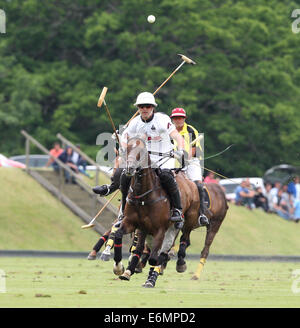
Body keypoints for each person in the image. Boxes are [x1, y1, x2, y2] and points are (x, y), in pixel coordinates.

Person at [117, 92, 187, 228]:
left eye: (147, 106)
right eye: (141, 106)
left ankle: (178, 210)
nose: (144, 109)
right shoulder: (135, 123)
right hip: (144, 160)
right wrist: (123, 147)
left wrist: (181, 151)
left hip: (163, 158)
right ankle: (123, 211)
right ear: (138, 108)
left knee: (166, 177)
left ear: (153, 107)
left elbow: (178, 137)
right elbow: (125, 138)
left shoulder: (162, 120)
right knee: (125, 176)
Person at [170, 107, 209, 226]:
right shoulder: (169, 131)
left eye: (180, 118)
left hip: (192, 161)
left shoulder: (190, 130)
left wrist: (184, 160)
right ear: (172, 119)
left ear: (184, 118)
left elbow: (193, 150)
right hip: (173, 160)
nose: (178, 120)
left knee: (198, 184)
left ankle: (202, 214)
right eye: (175, 118)